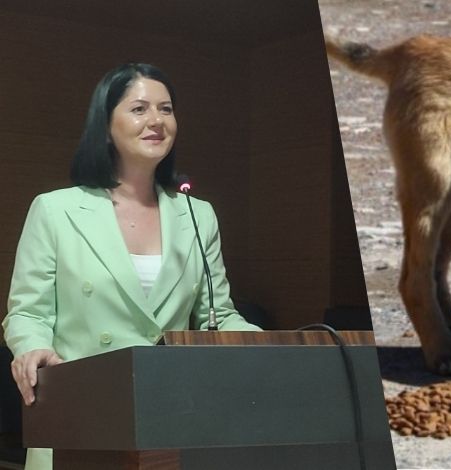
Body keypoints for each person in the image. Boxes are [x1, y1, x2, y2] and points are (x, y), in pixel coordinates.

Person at [2, 63, 261, 470]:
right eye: (139, 109)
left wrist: (272, 346)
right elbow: (28, 312)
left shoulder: (197, 215)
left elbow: (218, 316)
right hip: (81, 420)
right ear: (106, 127)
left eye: (166, 108)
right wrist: (32, 346)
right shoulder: (56, 210)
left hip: (171, 421)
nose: (157, 120)